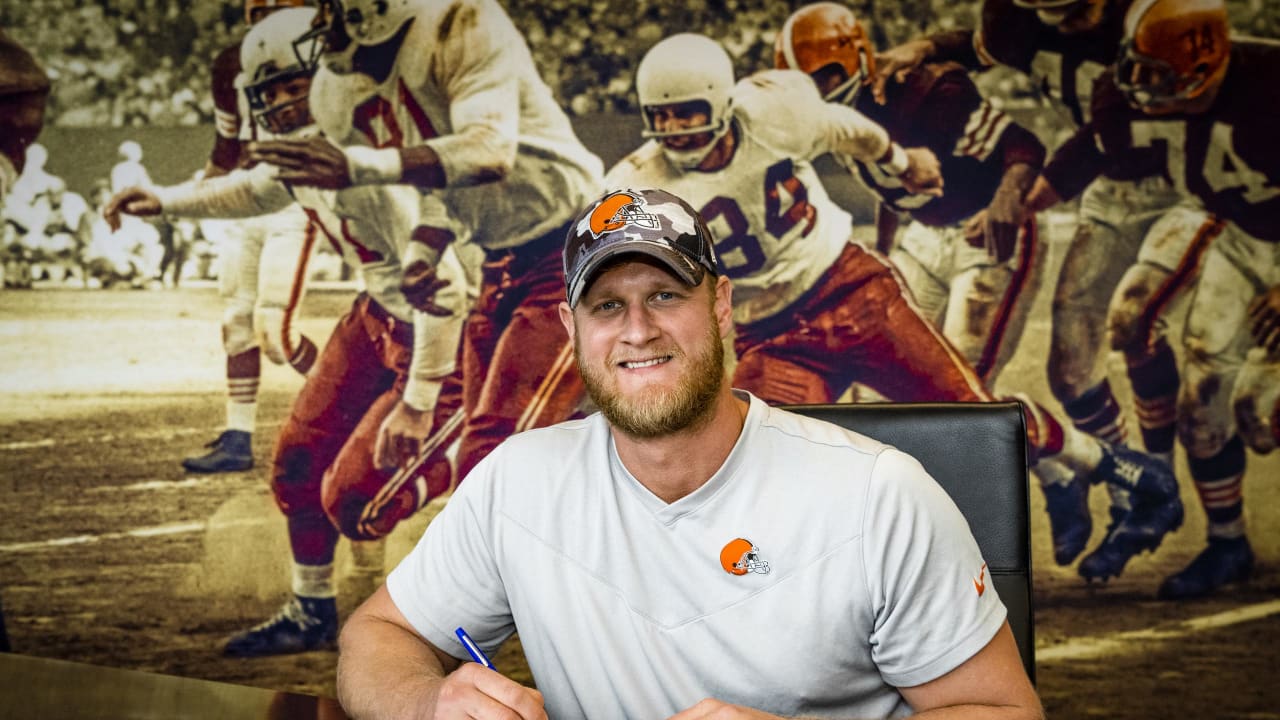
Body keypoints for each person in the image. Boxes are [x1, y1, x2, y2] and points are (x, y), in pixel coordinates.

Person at [334, 187, 1045, 720]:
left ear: (722, 306)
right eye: (607, 305)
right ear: (569, 328)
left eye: (666, 294)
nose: (637, 330)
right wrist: (427, 702)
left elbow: (1005, 712)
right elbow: (378, 635)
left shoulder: (879, 494)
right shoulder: (519, 480)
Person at [607, 32, 1180, 581]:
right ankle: (787, 585)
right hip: (775, 334)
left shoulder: (776, 110)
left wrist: (902, 161)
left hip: (854, 292)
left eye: (686, 112)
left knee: (969, 418)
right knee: (753, 463)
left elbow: (842, 128)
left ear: (722, 103)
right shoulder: (638, 185)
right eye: (662, 118)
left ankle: (1111, 465)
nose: (676, 130)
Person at [105, 6, 473, 656]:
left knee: (358, 498)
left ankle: (489, 474)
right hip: (376, 316)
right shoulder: (317, 147)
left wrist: (419, 400)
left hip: (445, 334)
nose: (276, 104)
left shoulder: (371, 156)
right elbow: (251, 189)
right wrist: (163, 200)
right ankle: (312, 610)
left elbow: (446, 289)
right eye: (266, 92)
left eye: (287, 86)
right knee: (297, 466)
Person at [873, 0, 1208, 583]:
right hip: (1106, 184)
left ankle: (1160, 483)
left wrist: (1015, 196)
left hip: (1193, 181)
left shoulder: (1146, 19)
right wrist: (925, 46)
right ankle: (1129, 488)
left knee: (1136, 323)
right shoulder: (1017, 18)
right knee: (1072, 364)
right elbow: (979, 48)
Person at [774, 3, 1085, 568]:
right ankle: (1063, 471)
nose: (816, 91)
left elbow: (1024, 147)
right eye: (806, 81)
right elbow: (892, 186)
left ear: (858, 58)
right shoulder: (843, 120)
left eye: (824, 76)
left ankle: (1080, 472)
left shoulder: (926, 91)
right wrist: (889, 249)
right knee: (890, 385)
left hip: (984, 234)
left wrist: (1003, 204)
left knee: (959, 390)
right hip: (925, 236)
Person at [245, 0, 604, 484]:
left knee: (492, 457)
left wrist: (355, 166)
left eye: (328, 10)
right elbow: (446, 184)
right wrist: (422, 254)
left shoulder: (462, 21)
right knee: (481, 464)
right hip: (502, 262)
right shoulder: (353, 85)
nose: (317, 25)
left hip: (573, 246)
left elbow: (487, 152)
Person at [1022, 0, 1280, 598]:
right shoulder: (1132, 100)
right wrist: (1027, 196)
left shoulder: (1268, 85)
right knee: (1204, 400)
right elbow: (1094, 146)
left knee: (1262, 416)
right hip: (1243, 240)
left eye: (1155, 75)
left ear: (1205, 62)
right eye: (1134, 70)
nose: (1138, 88)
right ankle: (1228, 541)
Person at [180, 0, 317, 474]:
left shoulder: (322, 54)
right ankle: (237, 436)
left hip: (294, 198)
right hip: (246, 196)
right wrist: (191, 199)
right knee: (236, 320)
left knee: (275, 333)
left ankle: (346, 404)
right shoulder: (230, 63)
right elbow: (226, 148)